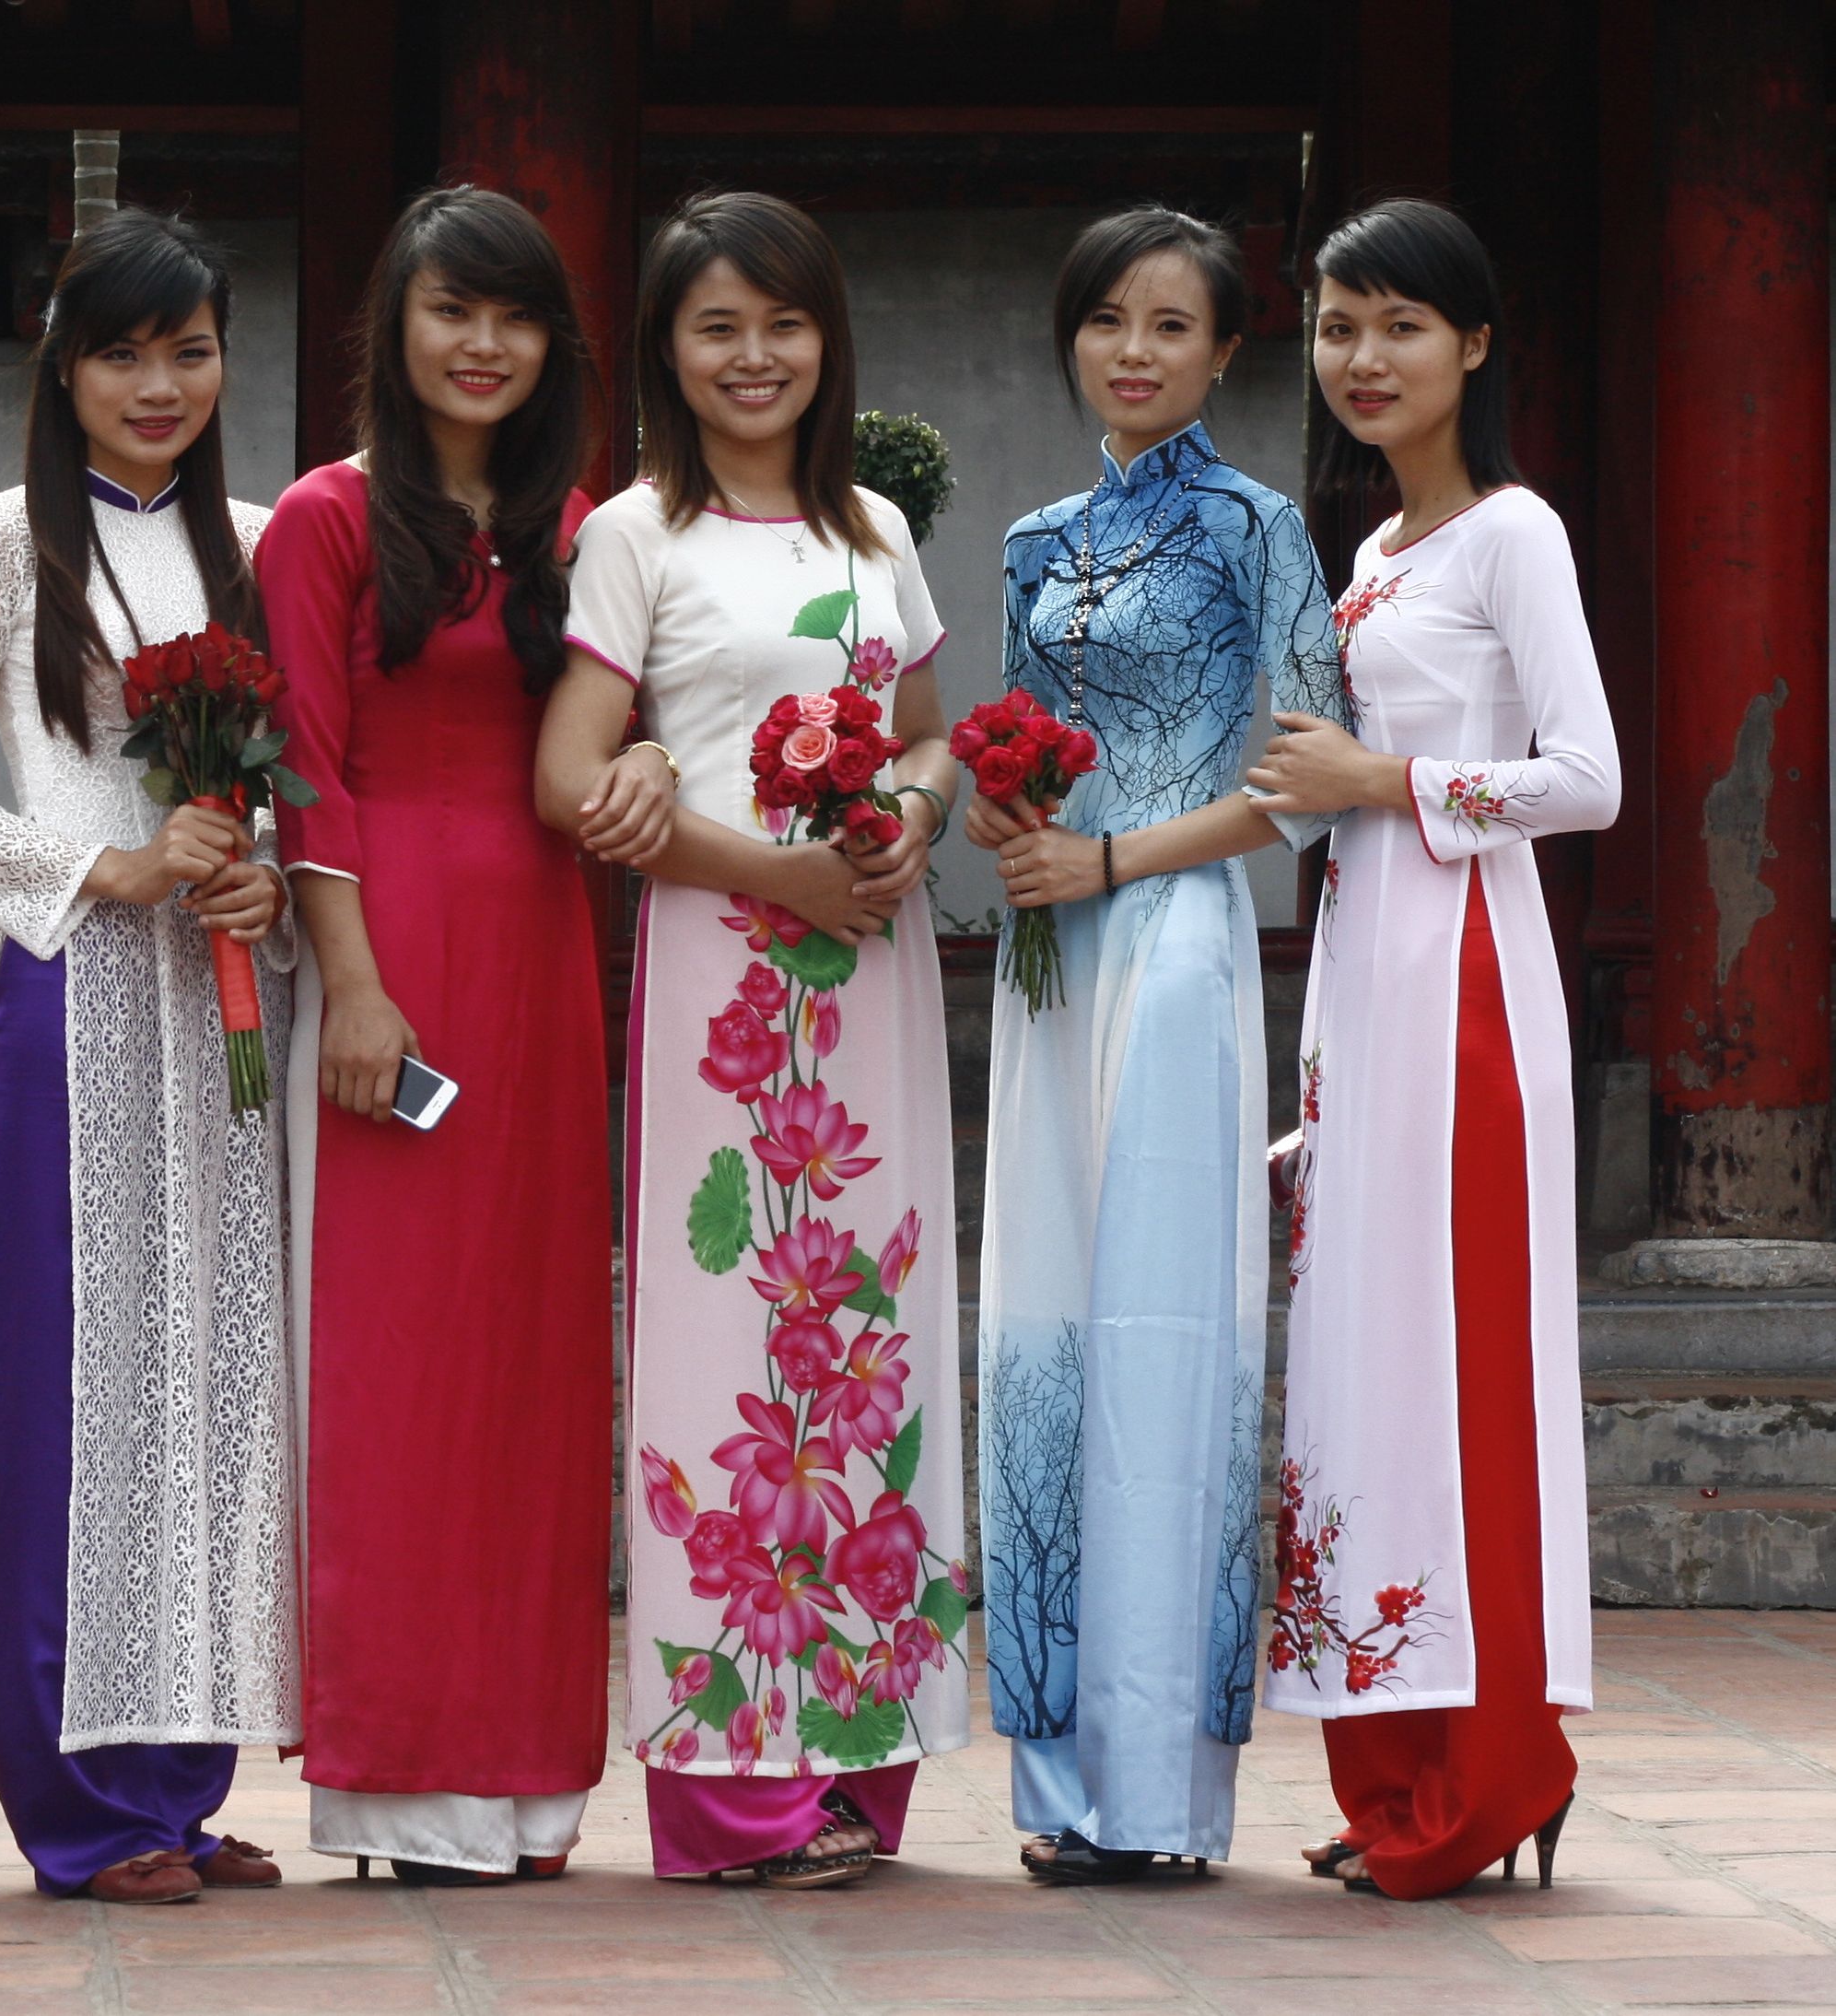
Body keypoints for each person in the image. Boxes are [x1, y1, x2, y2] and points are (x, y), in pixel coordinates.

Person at [541, 189, 969, 1891]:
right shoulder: (634, 535)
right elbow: (578, 776)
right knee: (733, 1341)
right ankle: (731, 1791)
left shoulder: (873, 527)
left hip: (870, 971)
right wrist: (766, 865)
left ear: (825, 340)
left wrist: (914, 821)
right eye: (716, 326)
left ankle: (857, 1762)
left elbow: (929, 733)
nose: (754, 356)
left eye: (782, 323)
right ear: (667, 351)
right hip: (723, 973)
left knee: (872, 1327)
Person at [0, 207, 298, 1907]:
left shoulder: (269, 542)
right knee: (69, 1398)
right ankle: (77, 1806)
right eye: (122, 352)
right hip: (66, 991)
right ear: (64, 367)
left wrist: (255, 864)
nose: (157, 384)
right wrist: (99, 868)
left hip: (225, 1015)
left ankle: (183, 1784)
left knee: (209, 1389)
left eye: (188, 350)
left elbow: (287, 783)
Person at [965, 206, 1347, 1884]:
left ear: (1222, 352)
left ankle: (1165, 1794)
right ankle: (1060, 1783)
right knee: (1042, 1321)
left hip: (1177, 942)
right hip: (1049, 947)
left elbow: (1303, 779)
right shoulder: (1037, 537)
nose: (1136, 349)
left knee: (1166, 1327)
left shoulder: (1262, 528)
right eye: (1109, 318)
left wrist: (1115, 856)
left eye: (1173, 326)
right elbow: (1012, 737)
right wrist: (1003, 819)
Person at [1249, 197, 1611, 1902]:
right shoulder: (1376, 551)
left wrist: (1383, 784)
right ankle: (1400, 1767)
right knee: (1370, 1378)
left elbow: (1589, 778)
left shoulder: (1508, 535)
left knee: (1468, 1376)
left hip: (1467, 988)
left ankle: (1497, 1768)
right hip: (1364, 997)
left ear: (1474, 343)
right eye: (1336, 328)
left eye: (1400, 324)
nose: (1364, 358)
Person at [261, 186, 610, 1887]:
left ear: (552, 343)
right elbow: (305, 765)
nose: (482, 345)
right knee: (397, 1362)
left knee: (533, 1363)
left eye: (515, 316)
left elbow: (638, 727)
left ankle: (532, 1777)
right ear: (394, 329)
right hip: (391, 945)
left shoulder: (583, 527)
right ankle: (398, 1775)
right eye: (449, 312)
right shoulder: (326, 521)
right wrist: (356, 980)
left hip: (549, 958)